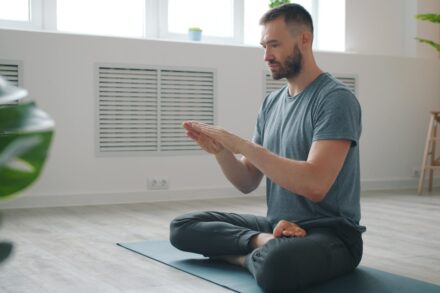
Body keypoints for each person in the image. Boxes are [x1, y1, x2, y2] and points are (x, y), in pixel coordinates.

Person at [170, 3, 365, 292]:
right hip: (277, 228)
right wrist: (222, 151)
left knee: (277, 265)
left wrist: (240, 144)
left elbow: (315, 184)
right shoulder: (271, 104)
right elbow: (247, 181)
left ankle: (244, 256)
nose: (266, 56)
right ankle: (262, 245)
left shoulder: (335, 99)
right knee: (182, 227)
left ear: (305, 39)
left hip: (332, 235)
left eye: (274, 45)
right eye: (264, 46)